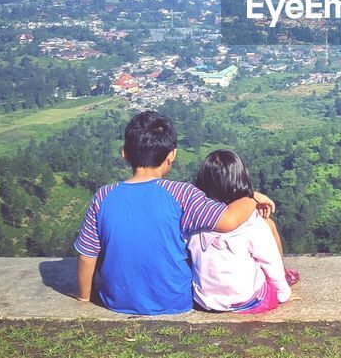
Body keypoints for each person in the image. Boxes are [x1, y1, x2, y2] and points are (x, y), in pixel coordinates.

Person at [72, 111, 275, 315]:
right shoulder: (181, 194)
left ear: (124, 153)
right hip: (175, 302)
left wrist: (83, 297)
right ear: (172, 155)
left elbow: (86, 256)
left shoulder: (104, 196)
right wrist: (250, 197)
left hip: (116, 301)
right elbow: (229, 220)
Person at [188, 149, 295, 313]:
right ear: (241, 178)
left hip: (205, 301)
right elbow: (269, 260)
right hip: (247, 301)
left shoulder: (195, 218)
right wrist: (283, 294)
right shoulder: (251, 223)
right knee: (267, 233)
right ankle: (285, 278)